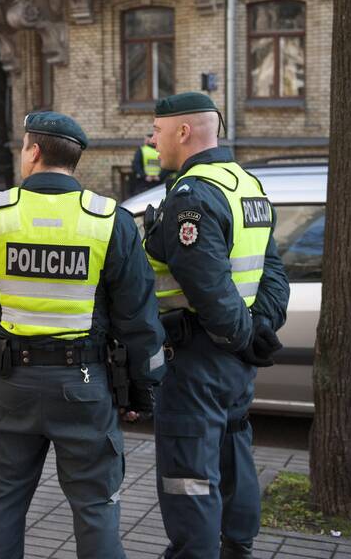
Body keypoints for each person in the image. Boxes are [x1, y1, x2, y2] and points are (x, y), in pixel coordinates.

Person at [0, 112, 166, 559]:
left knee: (0, 505)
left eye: (23, 146)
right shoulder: (107, 220)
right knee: (96, 508)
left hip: (9, 388)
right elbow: (138, 316)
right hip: (85, 387)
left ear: (34, 151)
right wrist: (141, 390)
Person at [143, 93, 289, 559]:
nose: (152, 139)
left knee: (189, 473)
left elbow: (207, 284)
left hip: (197, 358)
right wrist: (260, 329)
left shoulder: (192, 195)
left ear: (183, 132)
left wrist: (243, 336)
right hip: (233, 359)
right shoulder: (246, 184)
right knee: (233, 451)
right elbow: (273, 270)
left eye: (157, 129)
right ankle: (237, 547)